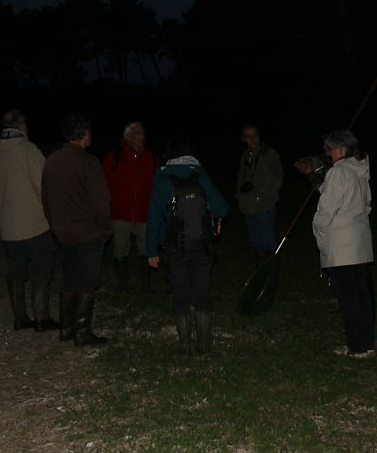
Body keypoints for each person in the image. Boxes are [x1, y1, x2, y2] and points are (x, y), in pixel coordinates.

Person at [0, 109, 59, 333]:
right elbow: (44, 187)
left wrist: (2, 202)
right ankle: (42, 318)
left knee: (16, 270)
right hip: (35, 224)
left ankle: (20, 318)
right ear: (22, 126)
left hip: (9, 227)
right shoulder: (29, 150)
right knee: (42, 267)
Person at [146, 136, 230, 355]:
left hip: (175, 249)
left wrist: (152, 250)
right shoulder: (200, 176)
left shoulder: (163, 179)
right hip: (202, 247)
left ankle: (184, 346)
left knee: (180, 295)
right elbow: (223, 209)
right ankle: (204, 346)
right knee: (202, 295)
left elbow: (153, 218)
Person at [42, 111, 113, 347]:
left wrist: (55, 224)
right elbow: (101, 202)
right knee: (87, 282)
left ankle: (66, 328)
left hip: (63, 233)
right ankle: (82, 331)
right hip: (87, 233)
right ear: (85, 134)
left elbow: (46, 198)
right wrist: (105, 231)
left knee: (69, 280)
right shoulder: (88, 162)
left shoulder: (52, 160)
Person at [312, 129, 376, 358]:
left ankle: (358, 346)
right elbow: (367, 205)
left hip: (341, 246)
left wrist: (319, 230)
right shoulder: (360, 171)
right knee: (360, 295)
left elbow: (326, 210)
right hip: (358, 243)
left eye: (329, 150)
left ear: (340, 149)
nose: (327, 155)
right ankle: (366, 343)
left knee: (349, 298)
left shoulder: (339, 172)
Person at [101, 121, 157, 292]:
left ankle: (146, 285)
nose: (142, 137)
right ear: (128, 137)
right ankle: (122, 285)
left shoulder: (150, 158)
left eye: (143, 133)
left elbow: (157, 184)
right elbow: (104, 183)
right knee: (120, 248)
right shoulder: (114, 157)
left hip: (143, 213)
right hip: (120, 213)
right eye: (138, 133)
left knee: (146, 248)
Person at [235, 124, 283, 263]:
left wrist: (262, 195)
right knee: (255, 239)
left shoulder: (269, 153)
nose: (253, 139)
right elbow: (241, 177)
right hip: (247, 205)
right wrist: (239, 195)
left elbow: (277, 177)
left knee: (268, 238)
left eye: (255, 135)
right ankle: (260, 268)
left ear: (259, 135)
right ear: (243, 139)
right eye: (248, 137)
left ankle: (271, 268)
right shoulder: (246, 155)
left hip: (264, 205)